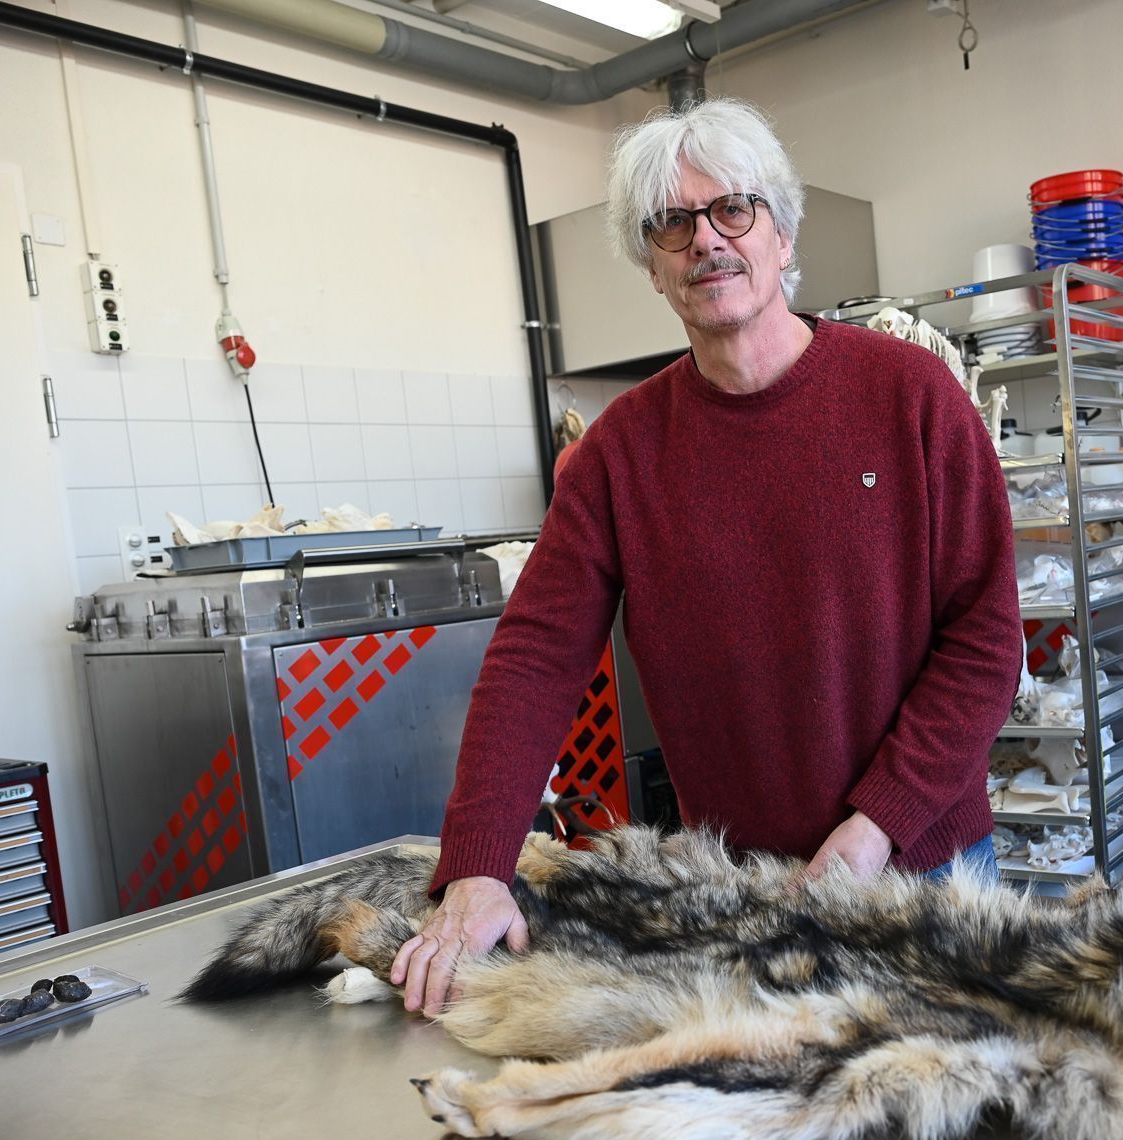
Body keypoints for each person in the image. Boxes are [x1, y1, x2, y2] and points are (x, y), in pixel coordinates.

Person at [392, 99, 1023, 1015]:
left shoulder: (911, 397)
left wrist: (876, 826)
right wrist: (480, 866)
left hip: (924, 864)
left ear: (782, 232)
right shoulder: (618, 453)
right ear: (651, 265)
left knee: (949, 1135)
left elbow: (985, 638)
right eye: (672, 225)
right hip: (739, 888)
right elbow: (533, 659)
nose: (706, 242)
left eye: (735, 210)